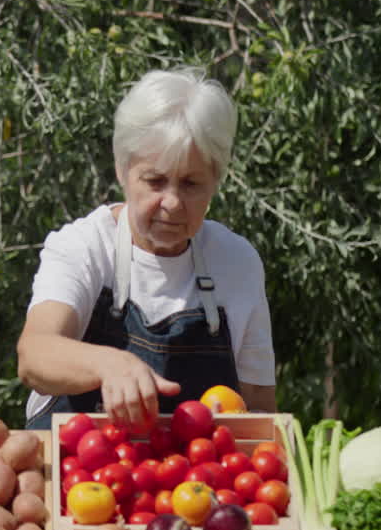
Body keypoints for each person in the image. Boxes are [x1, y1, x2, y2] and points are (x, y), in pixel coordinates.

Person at [18, 67, 276, 431]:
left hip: (193, 484)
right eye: (154, 181)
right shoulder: (84, 245)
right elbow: (34, 355)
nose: (171, 202)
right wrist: (108, 365)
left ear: (216, 181)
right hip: (76, 476)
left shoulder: (237, 262)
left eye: (191, 184)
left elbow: (261, 412)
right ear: (122, 171)